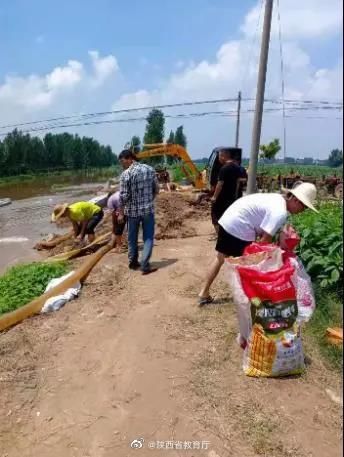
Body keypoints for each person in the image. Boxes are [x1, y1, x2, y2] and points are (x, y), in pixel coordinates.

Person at [198, 182, 318, 305]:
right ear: (297, 201)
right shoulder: (280, 212)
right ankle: (251, 298)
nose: (303, 211)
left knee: (220, 258)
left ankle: (204, 293)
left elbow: (264, 228)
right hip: (240, 225)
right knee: (249, 264)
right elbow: (264, 241)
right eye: (305, 207)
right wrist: (274, 256)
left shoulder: (277, 199)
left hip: (229, 219)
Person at [118, 149, 159, 275]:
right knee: (148, 238)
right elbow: (156, 189)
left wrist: (121, 212)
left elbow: (124, 196)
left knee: (132, 238)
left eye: (123, 161)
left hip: (132, 212)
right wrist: (149, 200)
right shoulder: (149, 169)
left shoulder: (126, 174)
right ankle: (145, 265)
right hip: (147, 210)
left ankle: (133, 262)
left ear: (130, 158)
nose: (122, 164)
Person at [210, 149, 243, 233]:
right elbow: (239, 182)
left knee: (215, 216)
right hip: (232, 198)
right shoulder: (238, 167)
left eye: (219, 156)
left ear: (223, 156)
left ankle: (220, 236)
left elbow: (220, 184)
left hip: (222, 198)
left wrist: (214, 197)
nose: (219, 159)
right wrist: (235, 195)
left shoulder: (224, 169)